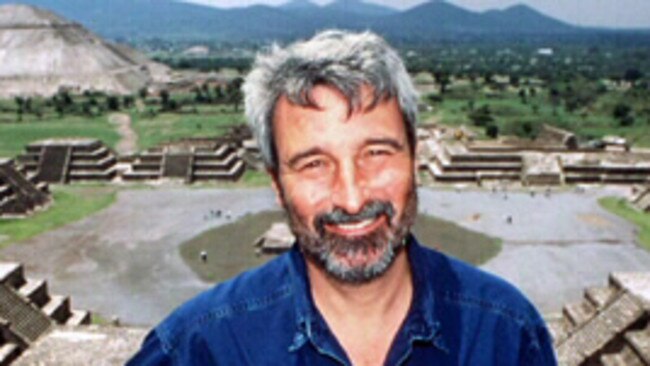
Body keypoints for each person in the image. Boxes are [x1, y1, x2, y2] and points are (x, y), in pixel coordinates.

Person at [128, 30, 556, 365]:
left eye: (376, 153)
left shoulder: (506, 333)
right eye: (314, 163)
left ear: (414, 159)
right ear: (277, 183)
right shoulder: (200, 348)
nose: (352, 199)